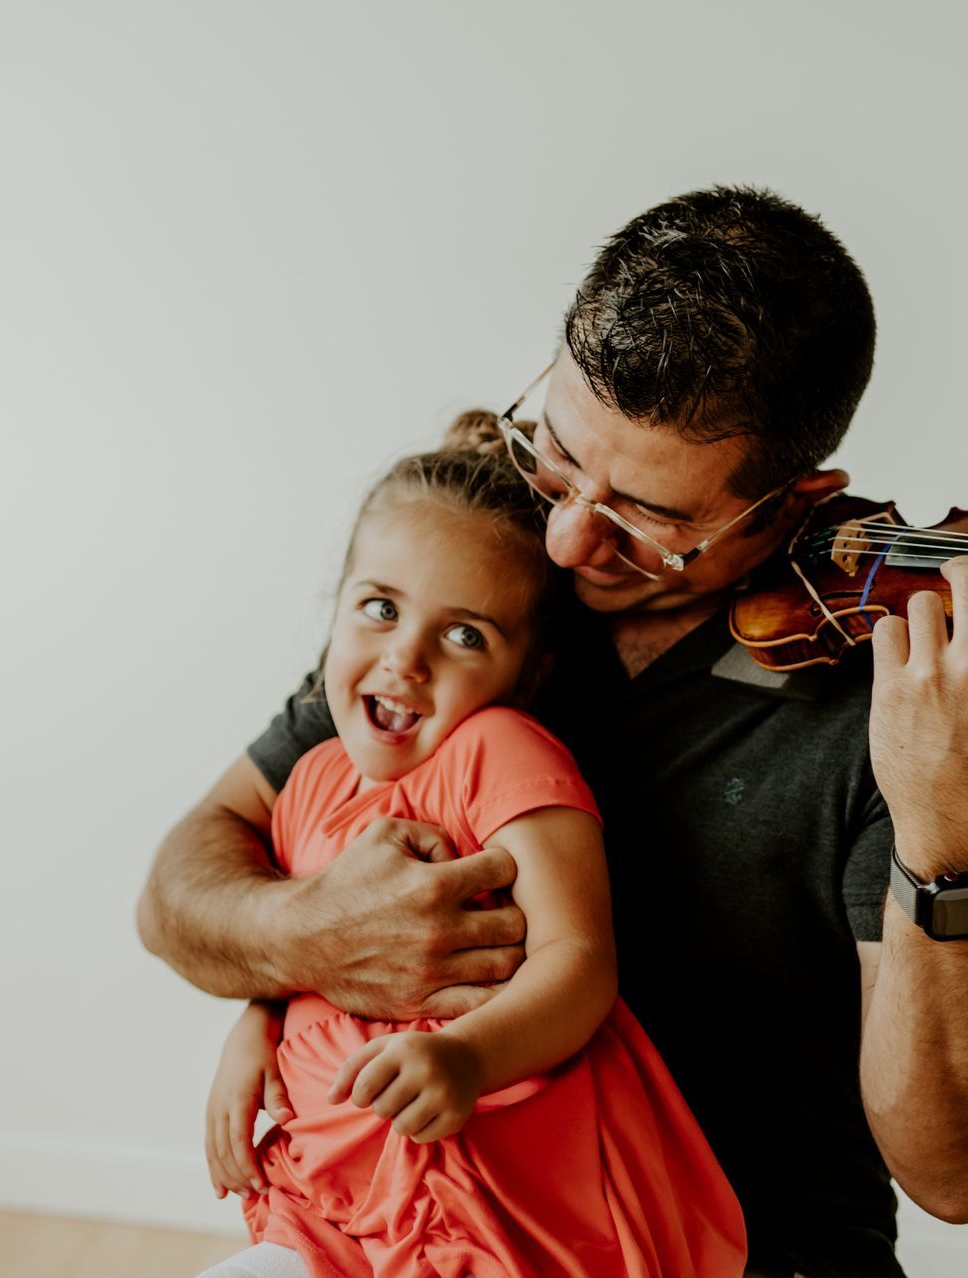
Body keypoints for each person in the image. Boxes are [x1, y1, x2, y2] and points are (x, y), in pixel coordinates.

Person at [141, 186, 968, 1278]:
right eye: (560, 459)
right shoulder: (482, 583)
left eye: (651, 517)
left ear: (793, 499)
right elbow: (178, 895)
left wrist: (957, 833)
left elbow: (959, 1174)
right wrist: (305, 942)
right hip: (424, 1231)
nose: (572, 541)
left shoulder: (907, 706)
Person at [197, 420, 746, 1277]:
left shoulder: (499, 752)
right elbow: (311, 943)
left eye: (464, 636)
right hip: (336, 1191)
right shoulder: (309, 780)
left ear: (526, 676)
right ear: (333, 614)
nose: (405, 658)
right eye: (379, 609)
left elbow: (580, 962)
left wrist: (466, 1055)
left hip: (482, 1197)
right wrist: (254, 1023)